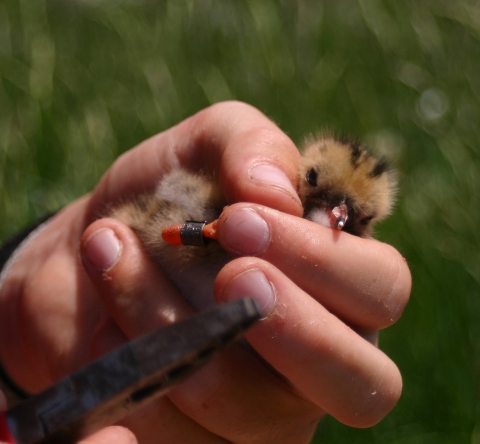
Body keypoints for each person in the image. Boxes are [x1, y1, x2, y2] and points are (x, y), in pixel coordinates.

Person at [0, 102, 411, 443]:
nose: (335, 218)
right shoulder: (234, 205)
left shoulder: (318, 291)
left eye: (357, 219)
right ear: (305, 175)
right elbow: (170, 196)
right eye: (318, 186)